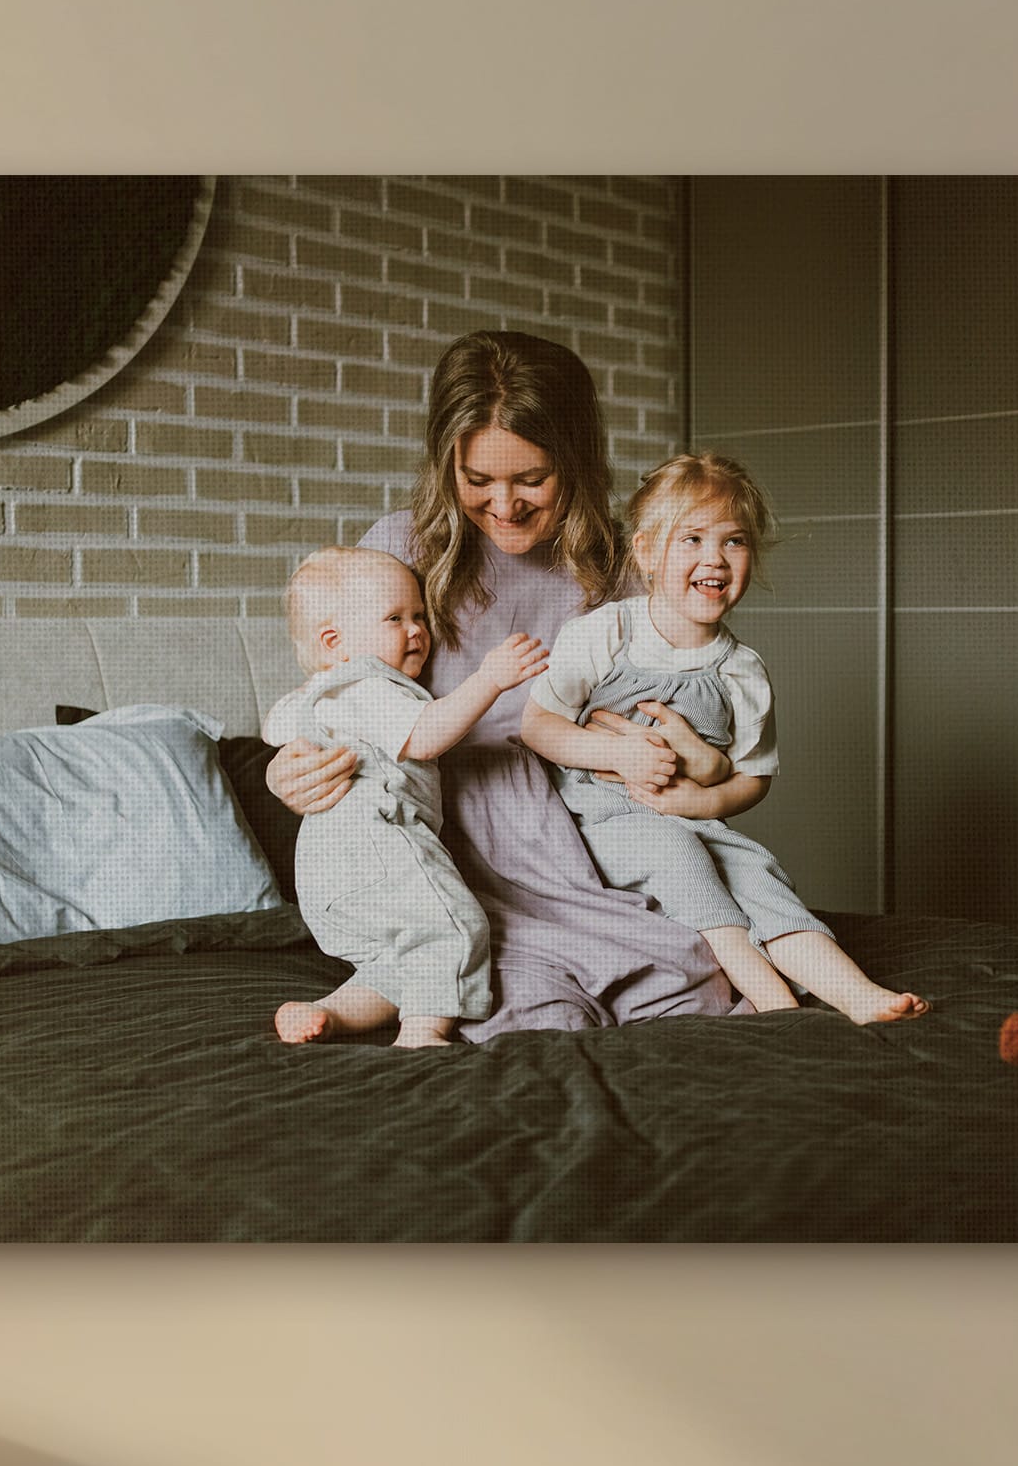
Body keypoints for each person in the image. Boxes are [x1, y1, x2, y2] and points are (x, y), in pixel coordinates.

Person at [263, 331, 733, 1030]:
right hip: (443, 852)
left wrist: (671, 753)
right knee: (521, 1002)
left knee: (698, 980)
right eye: (478, 480)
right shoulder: (398, 551)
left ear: (575, 460)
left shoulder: (625, 571)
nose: (504, 505)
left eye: (531, 479)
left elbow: (698, 736)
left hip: (585, 839)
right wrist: (286, 774)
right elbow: (338, 693)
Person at [522, 455, 927, 1023]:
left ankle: (857, 994)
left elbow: (753, 777)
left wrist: (706, 798)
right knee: (678, 852)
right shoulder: (608, 633)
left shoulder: (742, 671)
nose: (714, 558)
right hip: (598, 819)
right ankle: (773, 1001)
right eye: (691, 539)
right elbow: (536, 726)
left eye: (733, 541)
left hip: (692, 817)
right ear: (646, 553)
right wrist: (616, 752)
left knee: (759, 875)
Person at [258, 547, 545, 1047]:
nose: (416, 631)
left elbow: (275, 726)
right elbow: (427, 735)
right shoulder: (371, 685)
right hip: (379, 843)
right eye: (395, 618)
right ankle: (422, 1034)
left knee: (396, 959)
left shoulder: (318, 693)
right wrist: (490, 679)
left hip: (324, 868)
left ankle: (330, 1013)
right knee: (455, 928)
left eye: (419, 616)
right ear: (336, 642)